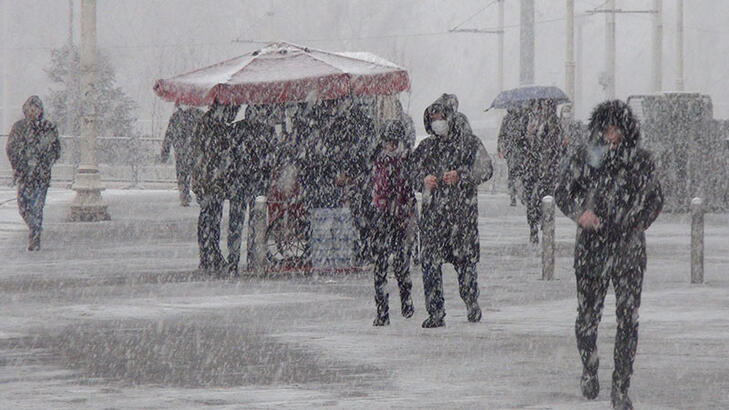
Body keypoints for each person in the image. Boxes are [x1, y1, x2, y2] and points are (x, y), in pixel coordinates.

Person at [555, 100, 664, 409]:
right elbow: (563, 190)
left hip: (628, 250)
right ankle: (590, 369)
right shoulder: (587, 156)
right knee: (587, 316)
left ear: (626, 130)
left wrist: (635, 225)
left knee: (628, 319)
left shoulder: (640, 160)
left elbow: (656, 198)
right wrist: (580, 215)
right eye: (605, 128)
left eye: (615, 128)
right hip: (592, 248)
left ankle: (621, 385)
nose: (609, 134)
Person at [412, 94, 493, 328]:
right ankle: (435, 312)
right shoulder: (426, 147)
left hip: (461, 216)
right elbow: (410, 171)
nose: (437, 122)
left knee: (465, 263)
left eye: (441, 117)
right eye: (433, 118)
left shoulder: (469, 143)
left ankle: (471, 301)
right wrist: (422, 180)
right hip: (433, 218)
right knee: (430, 265)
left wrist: (461, 176)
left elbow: (486, 169)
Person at [370, 120, 416, 326]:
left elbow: (407, 191)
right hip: (385, 217)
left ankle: (403, 303)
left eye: (393, 142)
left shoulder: (403, 163)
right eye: (387, 142)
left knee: (399, 263)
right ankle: (383, 311)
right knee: (383, 265)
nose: (390, 146)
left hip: (397, 217)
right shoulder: (381, 161)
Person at [190, 100, 240, 276]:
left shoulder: (207, 123)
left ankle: (208, 255)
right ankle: (210, 254)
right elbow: (216, 154)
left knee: (209, 218)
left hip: (207, 180)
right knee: (211, 218)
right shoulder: (214, 127)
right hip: (211, 181)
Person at [6, 96, 61, 251]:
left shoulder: (48, 127)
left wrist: (44, 162)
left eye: (35, 108)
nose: (32, 112)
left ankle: (35, 236)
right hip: (24, 175)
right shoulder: (19, 127)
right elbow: (11, 148)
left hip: (41, 176)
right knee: (23, 206)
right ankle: (34, 226)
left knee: (37, 206)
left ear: (40, 110)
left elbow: (56, 150)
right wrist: (19, 165)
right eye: (30, 108)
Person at [521, 99, 562, 244]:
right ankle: (533, 227)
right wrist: (528, 135)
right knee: (531, 200)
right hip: (531, 169)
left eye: (546, 107)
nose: (542, 109)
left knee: (545, 199)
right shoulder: (528, 120)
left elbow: (554, 147)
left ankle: (546, 226)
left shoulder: (554, 124)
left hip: (547, 170)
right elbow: (521, 144)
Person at [160, 103, 203, 206]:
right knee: (197, 173)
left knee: (182, 174)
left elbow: (169, 135)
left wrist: (165, 151)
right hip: (196, 151)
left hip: (181, 151)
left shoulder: (176, 117)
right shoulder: (200, 115)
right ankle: (200, 194)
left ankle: (185, 196)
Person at [497, 107, 529, 207]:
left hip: (522, 149)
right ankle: (513, 195)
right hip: (511, 150)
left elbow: (528, 133)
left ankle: (522, 195)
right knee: (512, 173)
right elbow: (501, 134)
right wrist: (500, 148)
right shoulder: (507, 119)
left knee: (523, 173)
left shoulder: (525, 117)